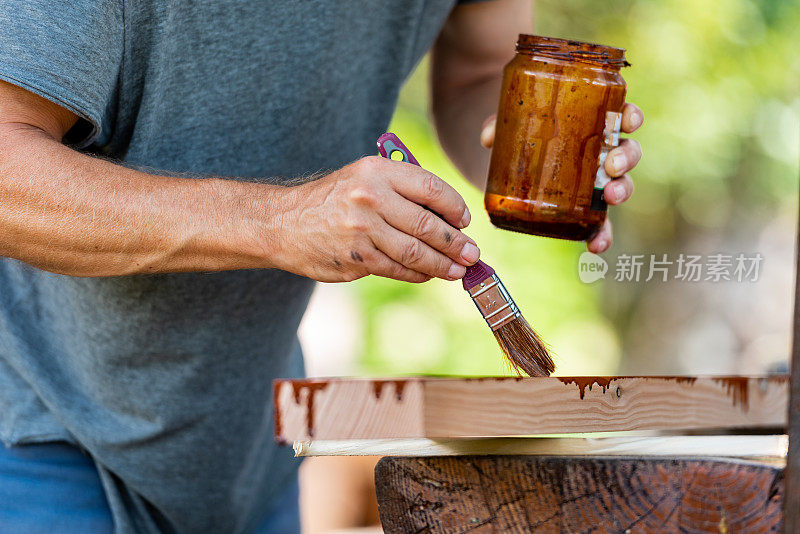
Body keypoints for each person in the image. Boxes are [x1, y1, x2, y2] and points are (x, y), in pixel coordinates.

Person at [0, 0, 643, 532]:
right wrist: (283, 222)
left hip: (252, 457)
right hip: (42, 439)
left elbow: (478, 68)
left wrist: (535, 144)